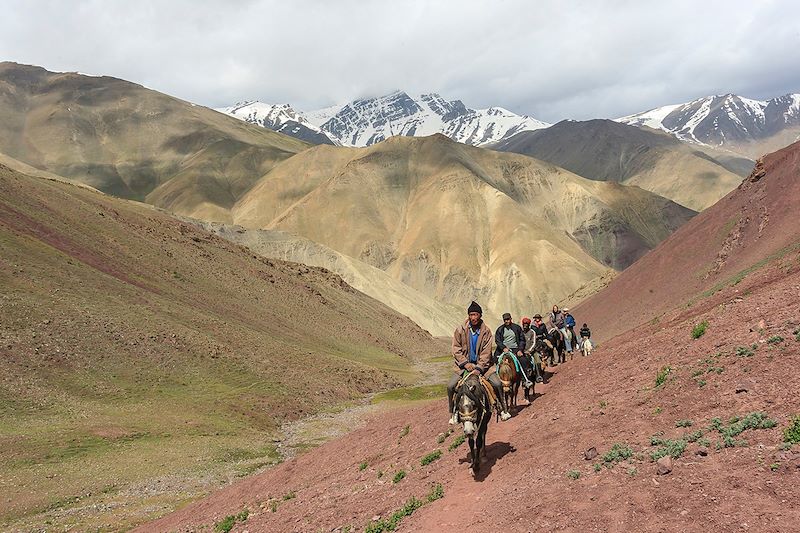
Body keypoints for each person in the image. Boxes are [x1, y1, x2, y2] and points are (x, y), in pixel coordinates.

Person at [448, 301, 511, 423]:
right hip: (463, 367)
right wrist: (465, 363)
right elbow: (456, 349)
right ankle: (453, 413)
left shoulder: (486, 331)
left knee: (497, 384)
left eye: (476, 314)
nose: (473, 317)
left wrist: (479, 368)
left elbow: (487, 353)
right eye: (471, 314)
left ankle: (503, 409)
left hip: (484, 367)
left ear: (480, 315)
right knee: (450, 386)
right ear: (468, 316)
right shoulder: (460, 330)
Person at [521, 317, 544, 383]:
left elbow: (534, 342)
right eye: (524, 324)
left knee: (537, 361)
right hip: (522, 351)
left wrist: (529, 350)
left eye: (526, 324)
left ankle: (539, 376)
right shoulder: (521, 332)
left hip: (532, 351)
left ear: (529, 325)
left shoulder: (532, 332)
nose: (525, 326)